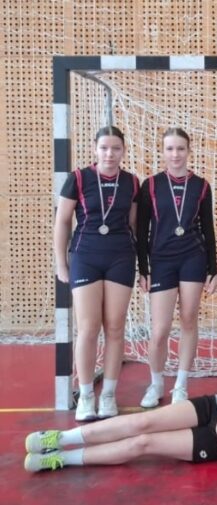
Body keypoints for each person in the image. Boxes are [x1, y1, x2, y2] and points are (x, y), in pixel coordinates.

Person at [24, 328, 217, 480]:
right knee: (143, 421)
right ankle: (60, 438)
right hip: (215, 411)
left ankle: (62, 458)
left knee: (143, 443)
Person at [54, 126, 140, 422]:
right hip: (85, 257)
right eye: (104, 148)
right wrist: (61, 263)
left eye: (116, 148)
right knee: (88, 328)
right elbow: (62, 221)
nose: (109, 154)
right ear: (95, 149)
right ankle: (87, 394)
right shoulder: (78, 178)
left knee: (115, 327)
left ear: (123, 151)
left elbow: (134, 225)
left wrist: (144, 264)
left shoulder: (131, 182)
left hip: (120, 257)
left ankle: (109, 395)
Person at [136, 128, 217, 407]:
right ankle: (156, 383)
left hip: (193, 258)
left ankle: (181, 384)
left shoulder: (202, 186)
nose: (175, 154)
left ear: (189, 150)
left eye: (180, 148)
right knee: (160, 329)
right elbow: (141, 231)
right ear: (163, 151)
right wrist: (143, 269)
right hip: (161, 261)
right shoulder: (150, 185)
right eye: (170, 148)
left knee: (188, 320)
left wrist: (213, 269)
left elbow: (208, 229)